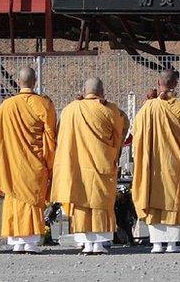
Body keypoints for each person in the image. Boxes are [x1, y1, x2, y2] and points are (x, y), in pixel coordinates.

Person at [0, 67, 57, 254]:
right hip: (35, 163)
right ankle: (30, 242)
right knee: (31, 202)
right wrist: (50, 162)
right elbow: (51, 137)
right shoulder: (44, 104)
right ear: (35, 81)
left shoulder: (6, 106)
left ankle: (16, 241)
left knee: (14, 200)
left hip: (12, 164)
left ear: (19, 82)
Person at [51, 77, 129, 255]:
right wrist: (108, 105)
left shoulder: (70, 110)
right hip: (101, 165)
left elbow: (59, 134)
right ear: (102, 93)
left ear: (83, 92)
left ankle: (86, 243)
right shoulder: (110, 110)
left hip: (77, 167)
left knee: (82, 202)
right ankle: (99, 244)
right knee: (100, 202)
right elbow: (123, 127)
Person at [132, 69, 180, 253]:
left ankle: (156, 244)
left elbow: (137, 131)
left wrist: (149, 101)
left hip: (152, 164)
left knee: (154, 198)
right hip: (175, 161)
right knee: (174, 198)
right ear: (175, 84)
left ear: (158, 82)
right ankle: (172, 244)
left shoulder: (147, 108)